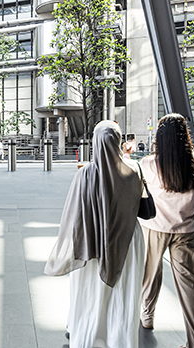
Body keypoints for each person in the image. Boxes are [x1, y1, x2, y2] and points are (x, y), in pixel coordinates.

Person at [45, 120, 145, 348]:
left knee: (90, 293)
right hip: (127, 240)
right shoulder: (133, 171)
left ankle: (89, 337)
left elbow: (75, 216)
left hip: (93, 240)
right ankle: (120, 340)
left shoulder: (86, 174)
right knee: (123, 294)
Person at [138, 113, 194, 348]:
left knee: (149, 276)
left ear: (160, 137)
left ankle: (147, 317)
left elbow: (140, 193)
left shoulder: (148, 164)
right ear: (185, 135)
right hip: (187, 230)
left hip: (154, 227)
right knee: (191, 286)